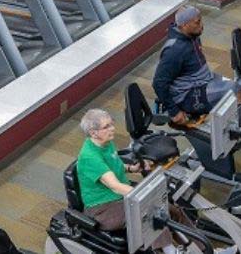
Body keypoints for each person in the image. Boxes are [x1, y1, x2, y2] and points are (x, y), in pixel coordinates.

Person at [76, 109, 203, 254]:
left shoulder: (106, 144)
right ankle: (169, 250)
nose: (113, 129)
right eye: (107, 127)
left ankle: (202, 249)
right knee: (151, 213)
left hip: (122, 198)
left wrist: (131, 168)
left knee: (172, 210)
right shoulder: (89, 157)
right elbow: (115, 186)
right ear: (93, 133)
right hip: (103, 209)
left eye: (112, 124)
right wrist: (145, 196)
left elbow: (112, 165)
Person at [152, 6, 235, 125]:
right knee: (233, 89)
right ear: (184, 25)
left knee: (239, 86)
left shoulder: (192, 35)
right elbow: (158, 83)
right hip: (187, 96)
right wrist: (174, 112)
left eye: (201, 20)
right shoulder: (175, 50)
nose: (201, 25)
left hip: (202, 82)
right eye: (197, 22)